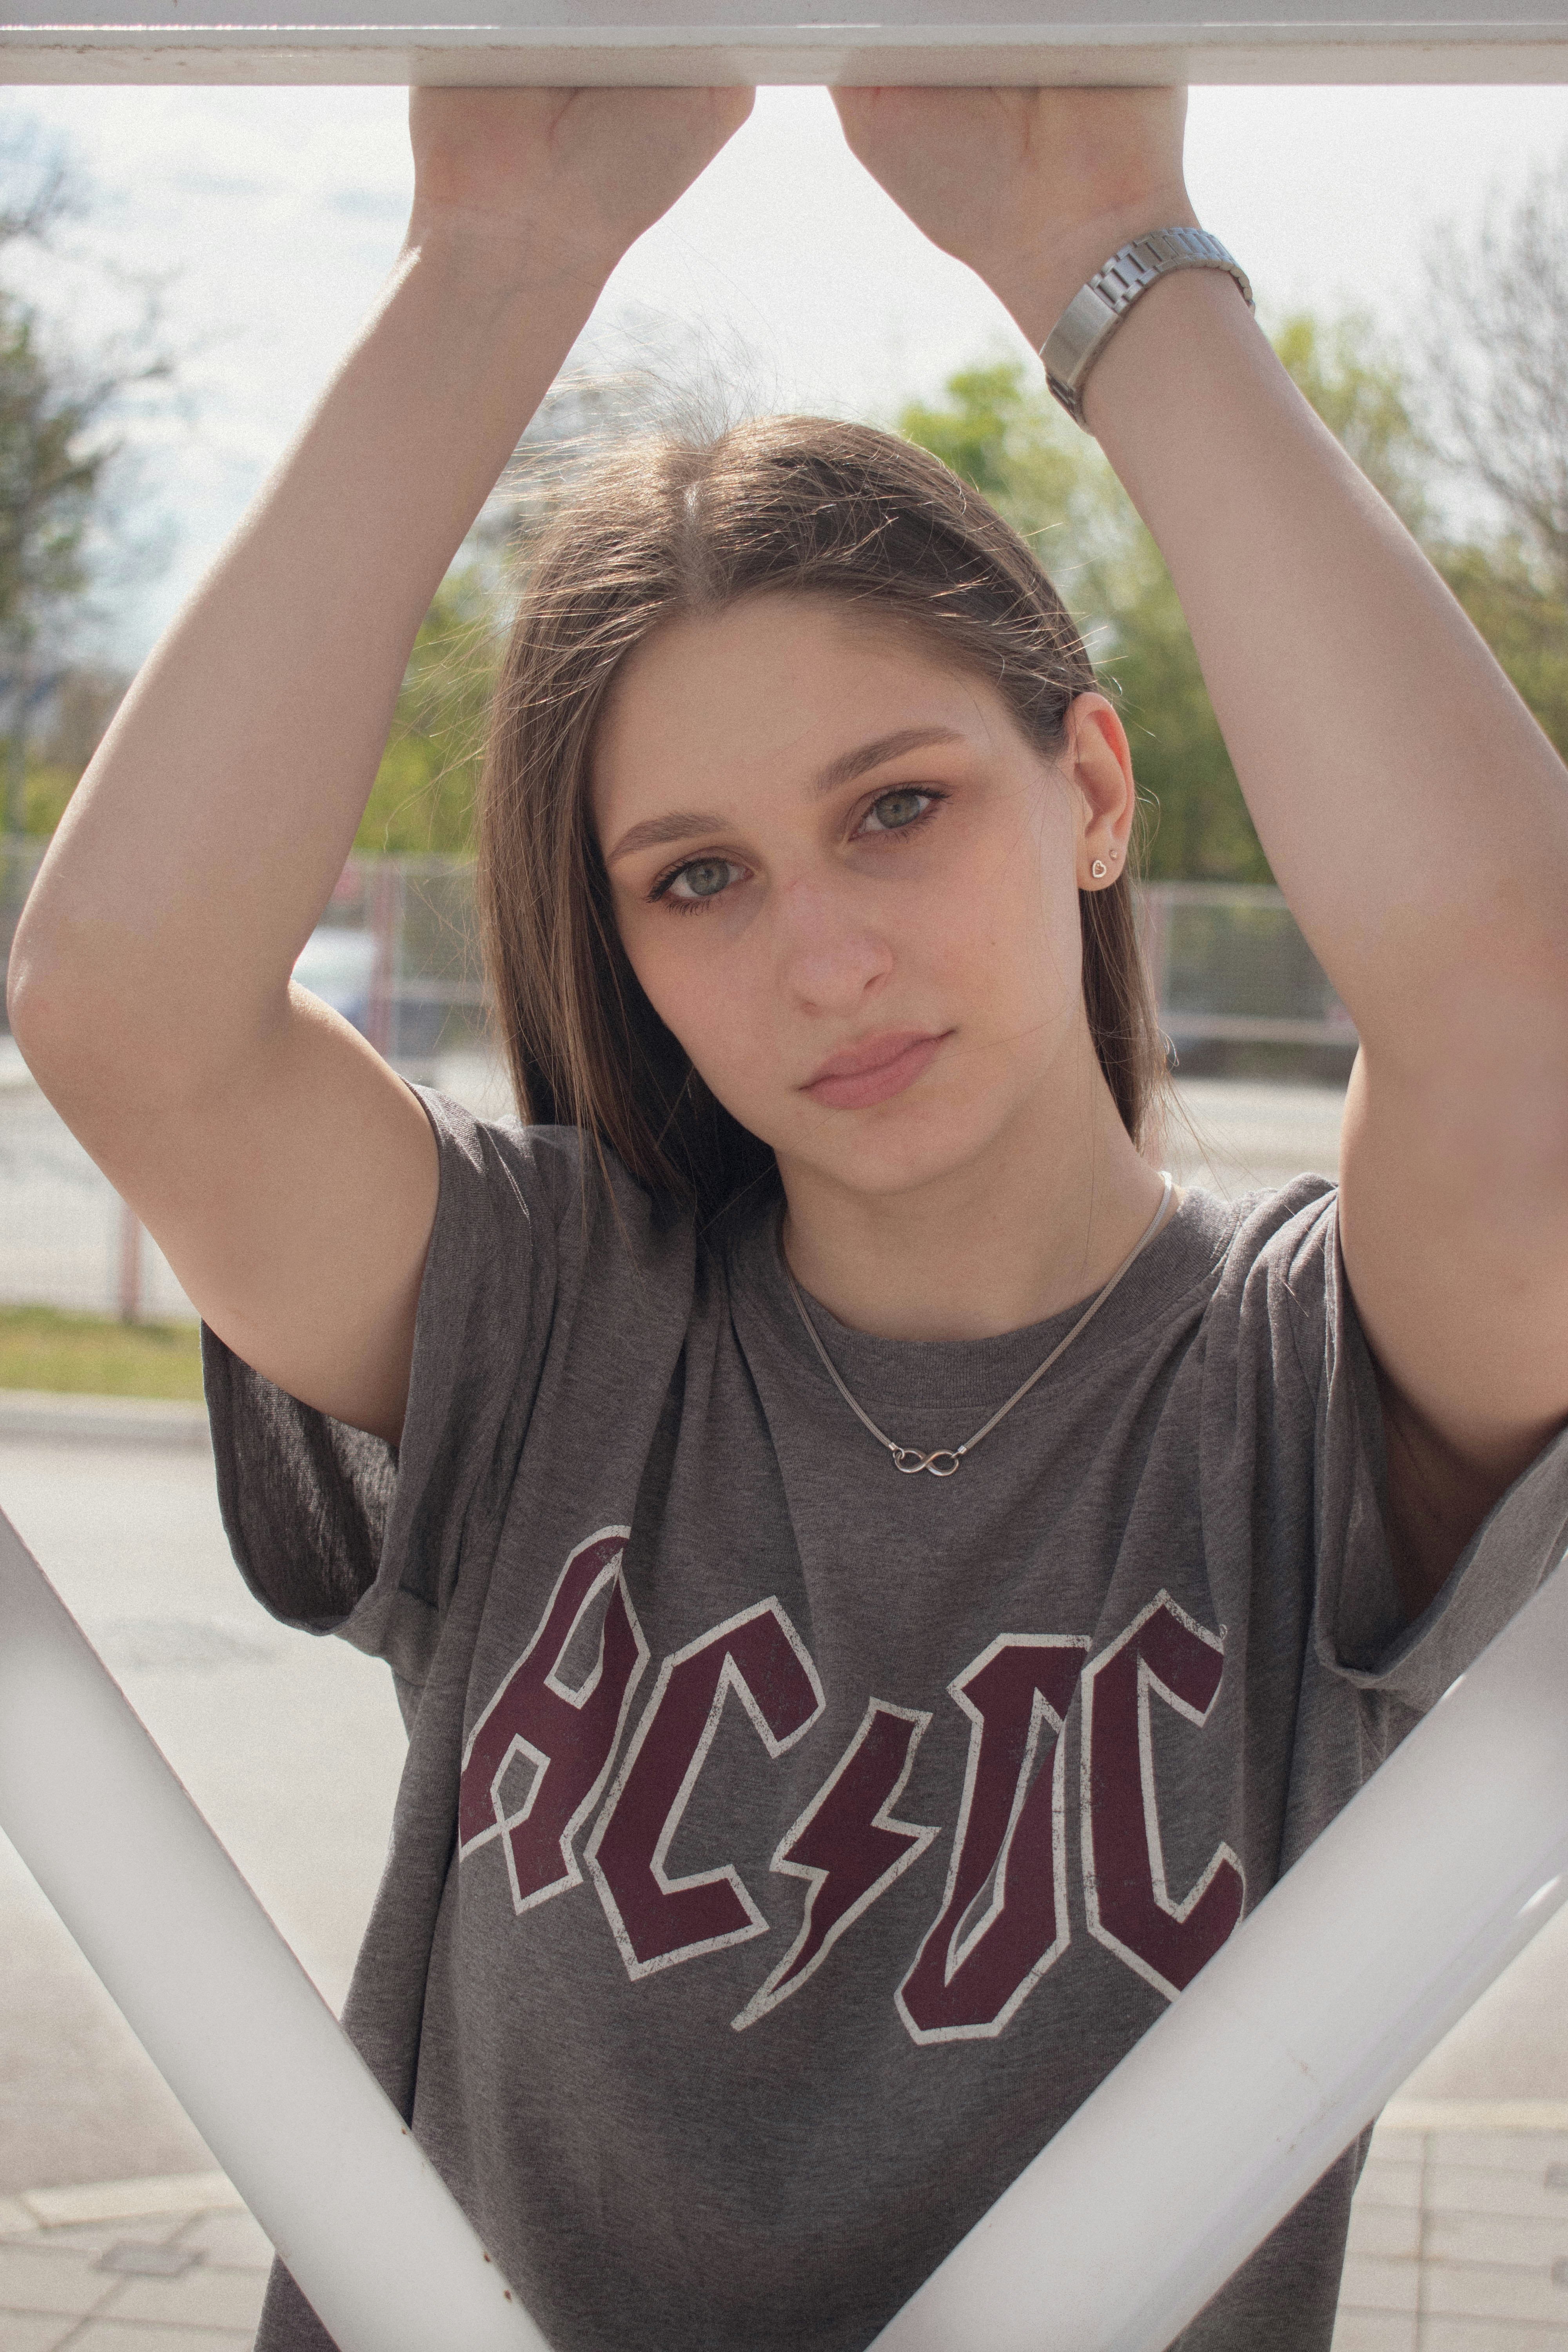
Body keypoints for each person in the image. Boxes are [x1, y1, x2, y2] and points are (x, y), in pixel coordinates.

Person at [10, 80, 1568, 2352]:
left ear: (1095, 789)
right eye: (700, 876)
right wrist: (498, 261)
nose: (823, 958)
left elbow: (1525, 1007)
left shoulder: (1311, 1398)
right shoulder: (549, 1321)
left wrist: (1109, 253)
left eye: (901, 808)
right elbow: (125, 1006)